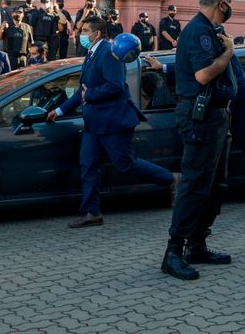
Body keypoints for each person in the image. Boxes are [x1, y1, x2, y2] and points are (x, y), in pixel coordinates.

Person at [47, 17, 175, 229]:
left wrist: (91, 95)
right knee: (87, 165)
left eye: (85, 30)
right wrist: (60, 110)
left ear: (96, 34)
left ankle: (171, 179)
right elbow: (83, 89)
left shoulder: (109, 51)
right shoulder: (92, 52)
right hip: (94, 122)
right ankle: (92, 212)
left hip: (113, 121)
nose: (81, 34)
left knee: (125, 163)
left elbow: (115, 86)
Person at [162, 0, 236, 281]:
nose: (232, 6)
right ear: (221, 3)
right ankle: (173, 252)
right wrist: (229, 53)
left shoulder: (210, 30)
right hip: (200, 116)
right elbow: (203, 74)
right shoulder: (198, 31)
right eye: (230, 2)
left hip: (215, 116)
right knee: (194, 185)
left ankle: (197, 244)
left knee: (214, 185)